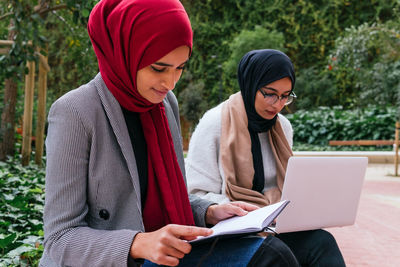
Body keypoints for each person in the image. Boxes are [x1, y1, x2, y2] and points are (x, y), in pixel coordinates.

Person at [39, 1, 300, 266]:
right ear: (126, 53)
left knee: (276, 252)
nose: (171, 82)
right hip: (120, 259)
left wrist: (210, 212)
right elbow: (60, 237)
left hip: (171, 252)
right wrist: (138, 243)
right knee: (271, 257)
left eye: (180, 67)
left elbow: (168, 192)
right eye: (159, 68)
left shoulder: (164, 103)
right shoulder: (75, 112)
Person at [186, 49, 347, 266]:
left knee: (322, 242)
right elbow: (195, 193)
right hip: (229, 229)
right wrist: (241, 211)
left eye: (285, 96)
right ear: (250, 85)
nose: (277, 103)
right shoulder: (215, 123)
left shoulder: (282, 126)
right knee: (275, 252)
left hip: (274, 225)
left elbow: (287, 185)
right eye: (270, 93)